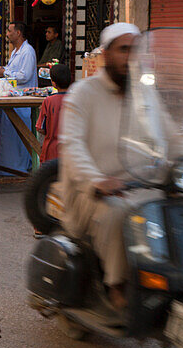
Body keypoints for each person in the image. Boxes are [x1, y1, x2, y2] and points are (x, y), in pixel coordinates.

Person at [59, 22, 149, 311]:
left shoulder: (144, 93)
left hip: (137, 186)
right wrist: (96, 180)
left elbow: (168, 133)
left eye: (135, 50)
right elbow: (71, 146)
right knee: (119, 212)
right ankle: (116, 284)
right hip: (90, 192)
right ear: (106, 54)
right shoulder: (82, 93)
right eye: (124, 49)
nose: (130, 56)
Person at [0, 22, 37, 175]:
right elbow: (13, 71)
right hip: (11, 98)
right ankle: (7, 167)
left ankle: (18, 167)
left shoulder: (28, 52)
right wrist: (3, 70)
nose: (7, 34)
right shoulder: (16, 51)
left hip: (22, 100)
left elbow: (24, 76)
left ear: (19, 33)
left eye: (9, 31)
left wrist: (5, 73)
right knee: (9, 136)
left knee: (19, 136)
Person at [35, 63, 72, 163]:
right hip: (72, 150)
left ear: (53, 83)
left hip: (52, 150)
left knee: (51, 178)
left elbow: (40, 128)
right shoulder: (76, 99)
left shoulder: (49, 101)